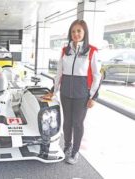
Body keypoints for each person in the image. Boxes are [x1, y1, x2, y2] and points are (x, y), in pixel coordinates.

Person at [43, 19, 101, 164]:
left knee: (78, 123)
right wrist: (53, 90)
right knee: (67, 122)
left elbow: (97, 76)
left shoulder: (92, 51)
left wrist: (93, 97)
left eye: (79, 31)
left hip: (82, 94)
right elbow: (59, 73)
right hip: (65, 93)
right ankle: (67, 146)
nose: (76, 34)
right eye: (73, 31)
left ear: (84, 33)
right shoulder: (65, 50)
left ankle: (75, 151)